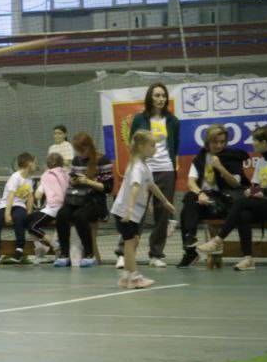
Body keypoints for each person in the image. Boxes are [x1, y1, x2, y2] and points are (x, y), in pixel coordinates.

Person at [196, 125, 267, 271]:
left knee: (241, 203)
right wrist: (251, 190)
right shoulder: (261, 162)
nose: (252, 143)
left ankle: (218, 240)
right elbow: (254, 184)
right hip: (262, 204)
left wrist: (259, 192)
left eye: (255, 141)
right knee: (243, 214)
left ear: (264, 143)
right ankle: (248, 259)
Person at [114, 83, 181, 269]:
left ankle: (156, 254)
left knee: (162, 214)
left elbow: (174, 146)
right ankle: (124, 252)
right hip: (144, 169)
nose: (160, 99)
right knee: (136, 211)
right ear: (150, 98)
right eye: (157, 95)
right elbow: (133, 145)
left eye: (163, 96)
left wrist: (172, 168)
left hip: (166, 170)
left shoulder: (173, 121)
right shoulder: (139, 119)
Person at [176, 125, 248, 268]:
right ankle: (190, 240)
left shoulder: (231, 156)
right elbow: (191, 182)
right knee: (190, 198)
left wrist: (220, 167)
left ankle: (190, 252)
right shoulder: (200, 157)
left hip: (223, 201)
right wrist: (200, 194)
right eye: (215, 142)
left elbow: (235, 184)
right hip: (205, 200)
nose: (219, 145)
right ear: (208, 142)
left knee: (187, 209)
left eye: (222, 142)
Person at [111, 131, 176, 289]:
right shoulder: (137, 167)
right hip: (125, 212)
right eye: (152, 145)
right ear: (141, 146)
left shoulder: (143, 165)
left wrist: (165, 201)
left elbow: (151, 186)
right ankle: (134, 278)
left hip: (130, 212)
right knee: (130, 243)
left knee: (133, 242)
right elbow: (135, 187)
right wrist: (130, 209)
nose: (155, 149)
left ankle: (126, 276)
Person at [53, 132, 114, 268]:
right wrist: (74, 181)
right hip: (77, 199)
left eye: (82, 150)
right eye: (77, 150)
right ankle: (64, 254)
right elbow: (72, 182)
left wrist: (88, 181)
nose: (80, 153)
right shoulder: (76, 160)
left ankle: (89, 254)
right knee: (62, 214)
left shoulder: (102, 160)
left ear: (89, 147)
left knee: (80, 216)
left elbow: (108, 188)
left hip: (95, 201)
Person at [0, 152, 37, 266]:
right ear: (29, 163)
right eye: (34, 162)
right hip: (6, 205)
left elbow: (30, 197)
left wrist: (29, 212)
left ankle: (19, 250)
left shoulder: (29, 179)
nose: (36, 165)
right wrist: (7, 214)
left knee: (19, 219)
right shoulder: (15, 177)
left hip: (19, 206)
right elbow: (10, 196)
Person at [29, 152, 68, 262]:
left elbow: (37, 195)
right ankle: (43, 248)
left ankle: (54, 245)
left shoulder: (46, 175)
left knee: (31, 226)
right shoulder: (66, 173)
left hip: (54, 209)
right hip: (67, 209)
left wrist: (36, 189)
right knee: (30, 220)